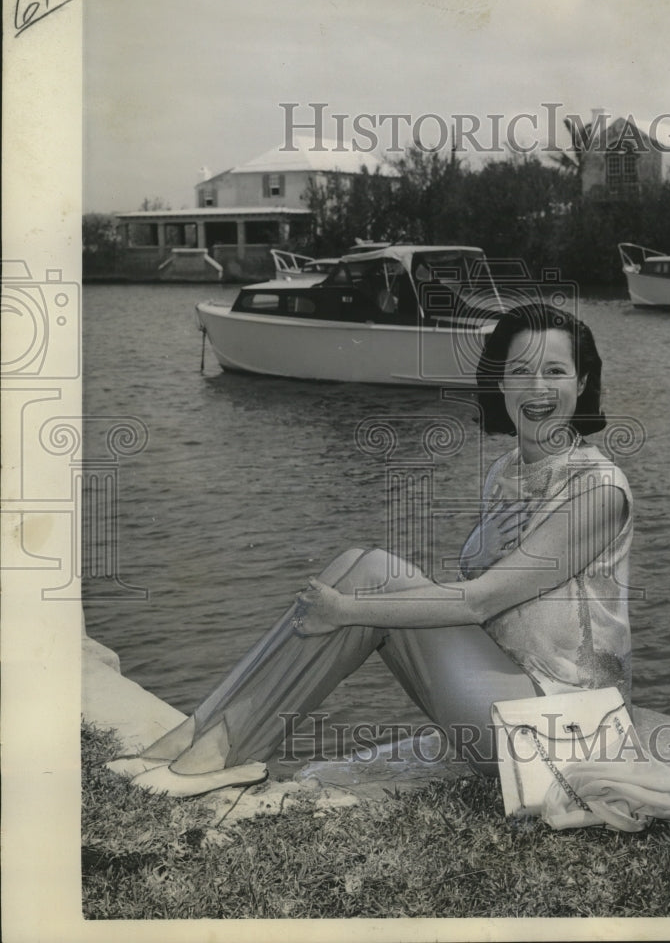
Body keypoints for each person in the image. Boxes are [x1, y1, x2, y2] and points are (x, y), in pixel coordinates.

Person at [109, 303, 633, 797]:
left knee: (364, 584)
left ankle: (218, 751)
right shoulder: (507, 471)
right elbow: (482, 579)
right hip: (511, 703)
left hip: (566, 737)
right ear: (500, 381)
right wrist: (473, 551)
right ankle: (199, 734)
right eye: (520, 371)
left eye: (555, 371)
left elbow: (477, 602)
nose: (536, 388)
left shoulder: (598, 489)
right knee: (366, 564)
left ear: (583, 383)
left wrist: (346, 610)